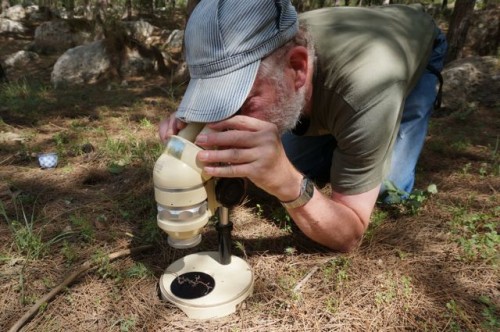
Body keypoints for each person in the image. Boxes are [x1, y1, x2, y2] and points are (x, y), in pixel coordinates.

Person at [158, 0, 447, 252]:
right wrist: (193, 128)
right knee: (288, 162)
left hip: (412, 45)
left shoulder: (366, 91)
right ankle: (346, 139)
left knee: (389, 189)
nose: (223, 121)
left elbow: (349, 236)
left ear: (297, 68)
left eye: (242, 100)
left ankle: (361, 136)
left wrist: (288, 183)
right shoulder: (264, 43)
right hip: (345, 58)